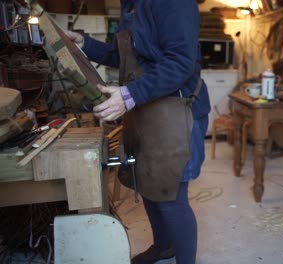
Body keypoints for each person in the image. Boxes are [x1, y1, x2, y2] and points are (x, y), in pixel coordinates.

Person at [66, 1, 210, 263]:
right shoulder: (131, 4)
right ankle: (164, 246)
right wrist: (84, 43)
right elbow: (123, 57)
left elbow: (181, 61)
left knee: (169, 195)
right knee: (146, 184)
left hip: (177, 110)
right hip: (146, 106)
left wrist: (131, 94)